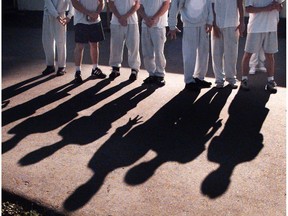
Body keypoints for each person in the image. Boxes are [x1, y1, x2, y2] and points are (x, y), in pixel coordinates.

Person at [168, 0, 213, 91]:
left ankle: (199, 78)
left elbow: (208, 3)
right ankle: (189, 81)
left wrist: (210, 21)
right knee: (189, 53)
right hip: (189, 25)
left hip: (203, 24)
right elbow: (175, 6)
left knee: (204, 53)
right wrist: (172, 25)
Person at [240, 0, 283, 93]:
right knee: (248, 54)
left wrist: (278, 6)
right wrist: (266, 8)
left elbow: (280, 7)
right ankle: (244, 80)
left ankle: (270, 81)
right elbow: (248, 9)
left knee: (270, 56)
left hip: (271, 27)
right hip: (255, 27)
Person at [211, 0, 245, 89]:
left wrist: (242, 22)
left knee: (231, 54)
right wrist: (214, 24)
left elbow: (240, 4)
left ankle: (231, 78)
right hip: (218, 24)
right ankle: (219, 80)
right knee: (217, 53)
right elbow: (211, 5)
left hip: (232, 23)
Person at [71, 0, 107, 83]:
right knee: (79, 46)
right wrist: (89, 13)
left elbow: (101, 2)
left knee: (94, 44)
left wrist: (96, 13)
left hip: (95, 20)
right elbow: (74, 3)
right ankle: (78, 72)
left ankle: (95, 68)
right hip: (80, 20)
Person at [138, 0, 170, 86]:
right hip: (145, 25)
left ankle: (160, 75)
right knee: (147, 52)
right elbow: (140, 7)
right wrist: (146, 18)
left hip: (159, 26)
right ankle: (151, 74)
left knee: (159, 52)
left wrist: (153, 18)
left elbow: (166, 4)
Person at [107, 0, 141, 81]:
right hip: (116, 21)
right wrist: (120, 17)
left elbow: (137, 4)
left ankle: (134, 69)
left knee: (133, 46)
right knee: (115, 46)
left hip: (132, 21)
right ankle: (115, 67)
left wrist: (125, 16)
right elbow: (111, 3)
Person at [42, 0, 74, 76]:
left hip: (61, 14)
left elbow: (73, 2)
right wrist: (56, 15)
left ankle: (61, 66)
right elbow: (48, 2)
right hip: (48, 14)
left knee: (61, 41)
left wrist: (69, 16)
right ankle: (50, 65)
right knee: (47, 41)